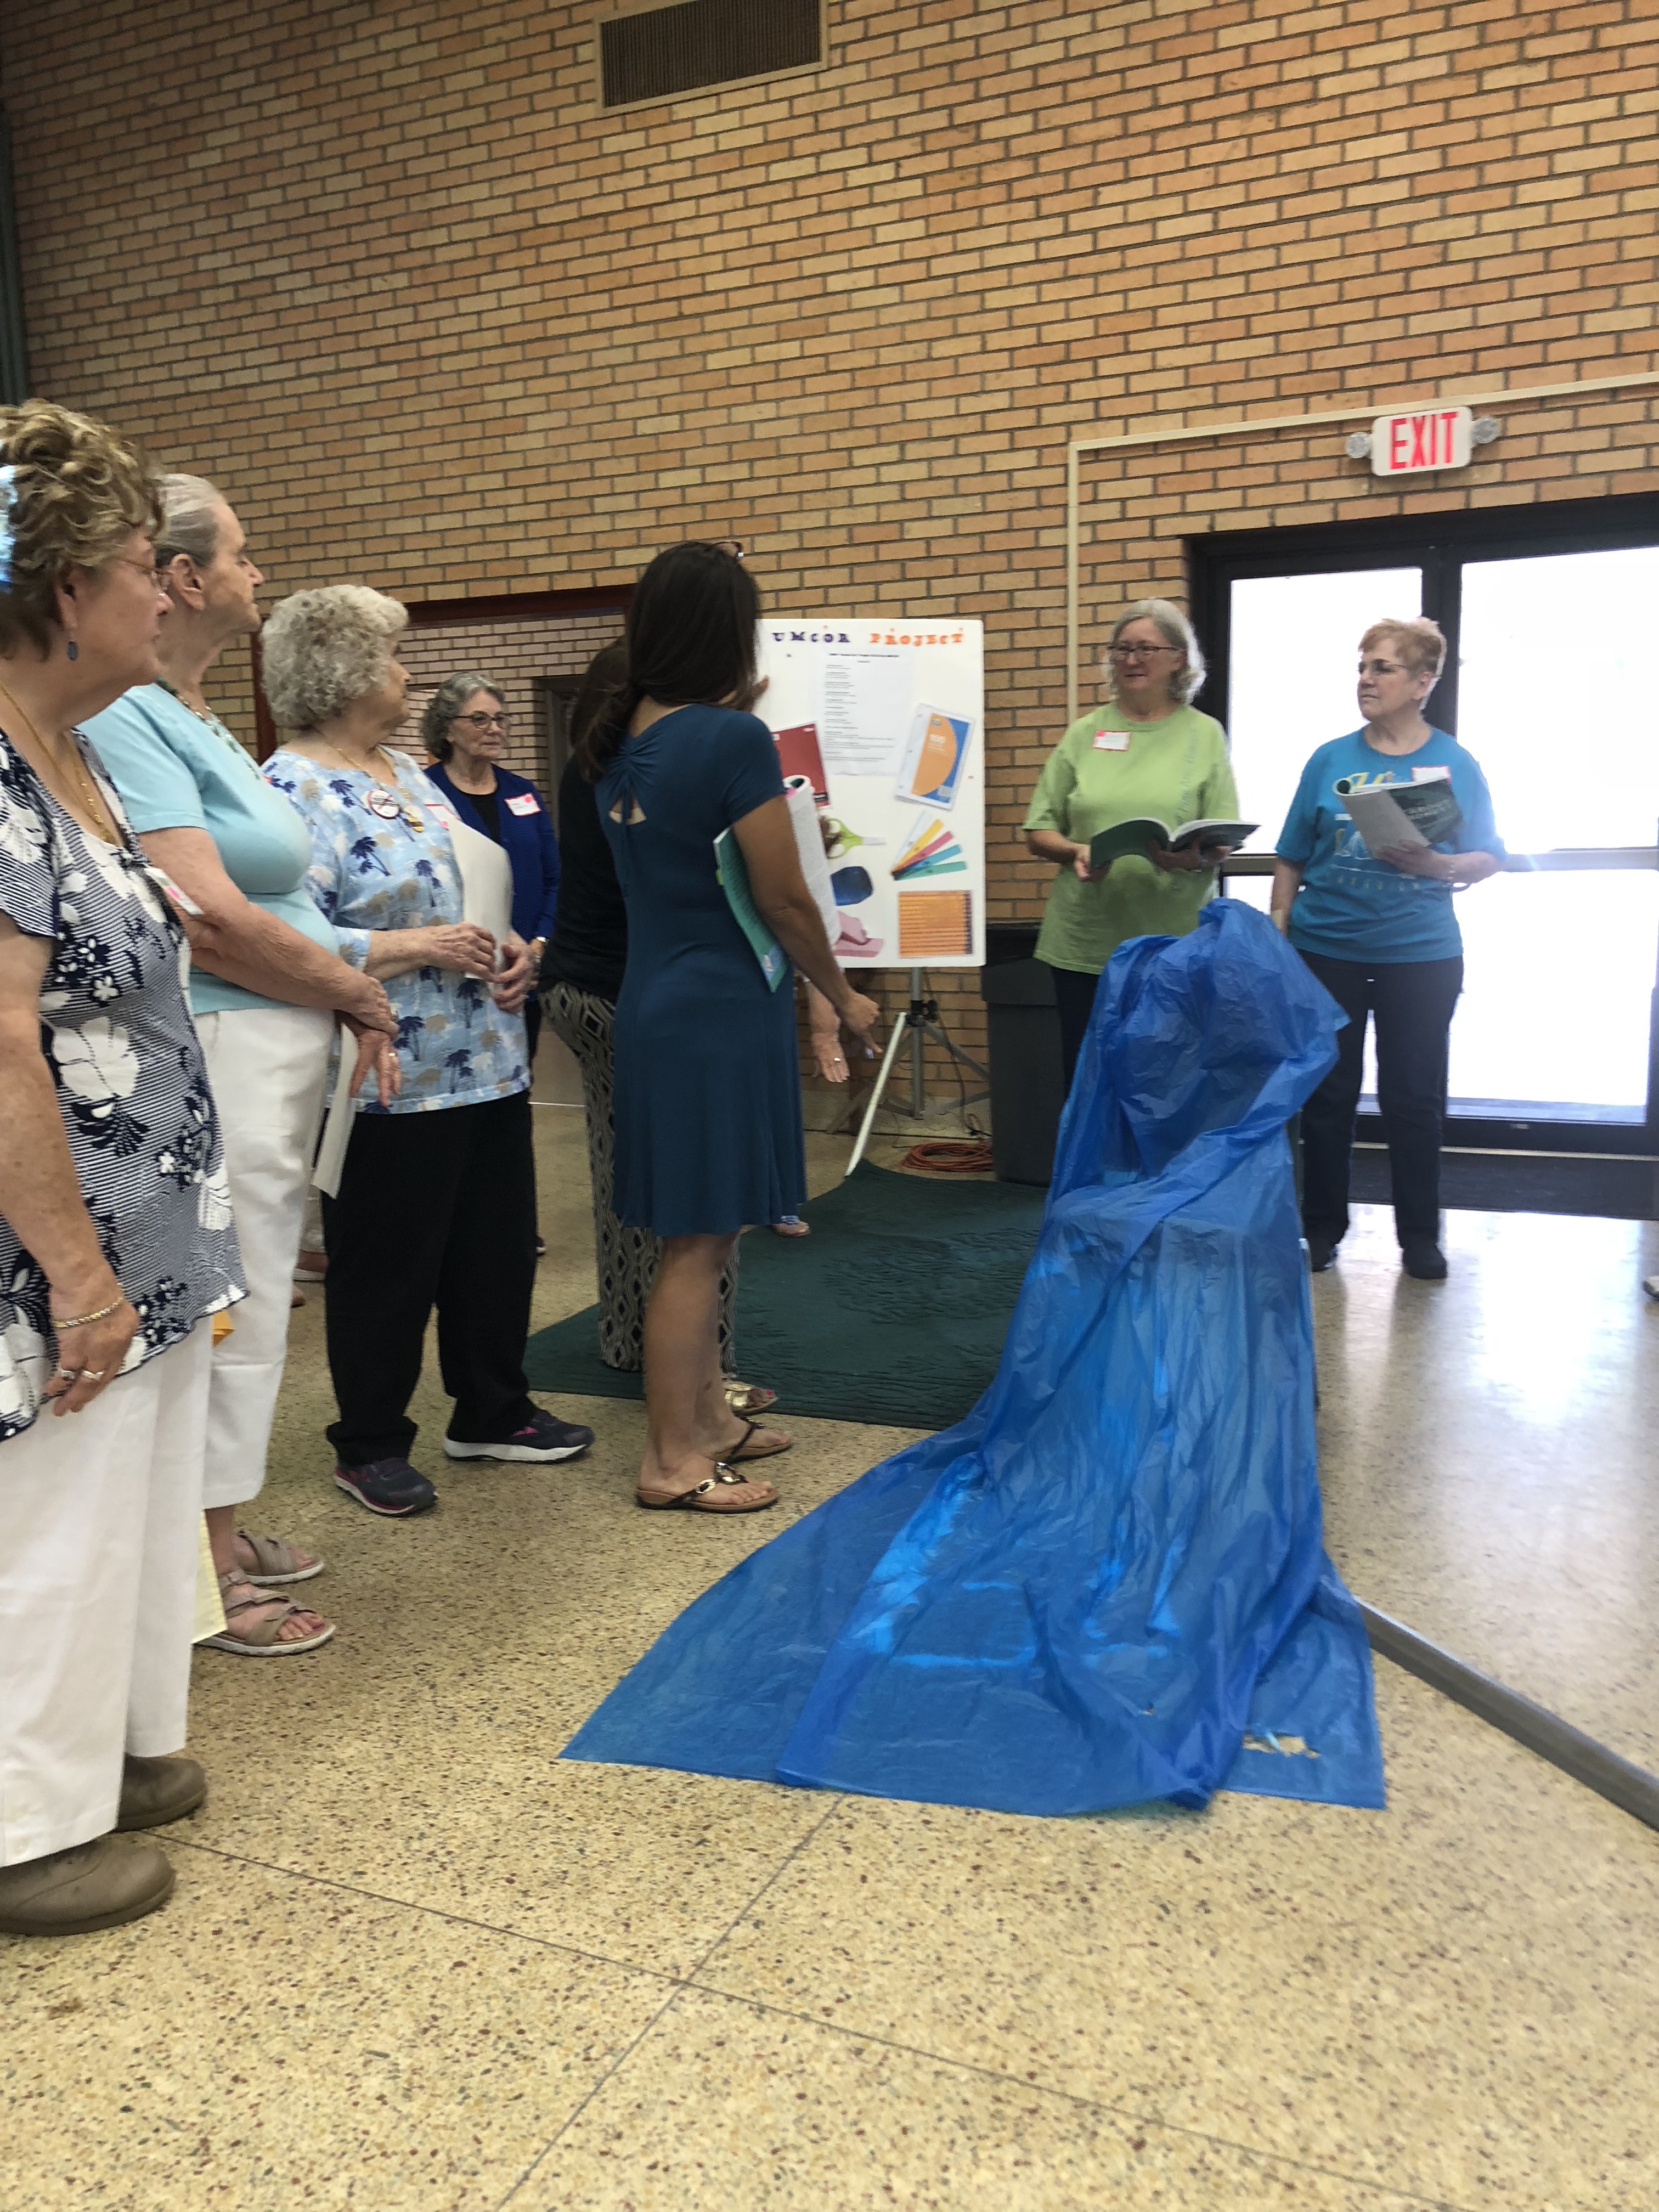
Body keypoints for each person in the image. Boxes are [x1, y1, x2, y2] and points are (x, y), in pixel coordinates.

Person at [0, 400, 244, 1935]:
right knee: (55, 1529)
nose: (171, 593)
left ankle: (116, 1750)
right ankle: (26, 1829)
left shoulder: (72, 753)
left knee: (135, 1517)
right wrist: (79, 1279)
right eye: (147, 567)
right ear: (66, 588)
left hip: (149, 1221)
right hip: (58, 1250)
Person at [83, 475, 400, 1656]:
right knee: (236, 1303)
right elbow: (205, 915)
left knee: (257, 1297)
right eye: (243, 555)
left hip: (271, 1033)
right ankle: (204, 1566)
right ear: (181, 576)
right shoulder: (127, 712)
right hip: (227, 1034)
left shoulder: (189, 709)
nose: (258, 576)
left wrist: (342, 978)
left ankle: (211, 1526)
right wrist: (351, 986)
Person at [261, 586, 593, 1517]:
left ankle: (493, 1409)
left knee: (494, 1251)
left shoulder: (406, 771)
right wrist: (418, 947)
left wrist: (511, 947)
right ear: (343, 673)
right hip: (388, 1073)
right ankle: (369, 1442)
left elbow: (464, 888)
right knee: (388, 1267)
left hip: (486, 1056)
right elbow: (280, 938)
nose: (407, 675)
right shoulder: (288, 788)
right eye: (391, 658)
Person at [583, 543, 879, 1514]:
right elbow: (785, 898)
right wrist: (842, 994)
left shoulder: (621, 735)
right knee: (698, 1243)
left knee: (697, 1232)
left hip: (660, 998)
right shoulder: (731, 738)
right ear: (728, 634)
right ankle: (670, 1459)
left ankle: (707, 1418)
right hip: (714, 1008)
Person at [540, 641, 774, 1416]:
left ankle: (629, 1337)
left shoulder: (593, 764)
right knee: (699, 1202)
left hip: (583, 986)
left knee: (626, 1178)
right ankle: (704, 1379)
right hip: (636, 991)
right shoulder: (647, 772)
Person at [1271, 616, 1504, 1282]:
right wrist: (1279, 931)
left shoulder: (1456, 764)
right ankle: (1321, 1228)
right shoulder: (1329, 759)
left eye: (1383, 668)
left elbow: (1491, 856)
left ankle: (1420, 1237)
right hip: (1326, 950)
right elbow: (1291, 855)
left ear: (1423, 682)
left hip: (1421, 956)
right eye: (1362, 667)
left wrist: (1437, 864)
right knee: (1328, 1096)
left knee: (1414, 1099)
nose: (1366, 680)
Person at [1023, 599, 1237, 1090]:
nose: (1132, 660)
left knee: (1166, 1082)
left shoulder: (1205, 735)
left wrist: (1192, 857)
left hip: (1174, 943)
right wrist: (1074, 850)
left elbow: (1223, 838)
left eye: (1146, 649)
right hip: (1086, 942)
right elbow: (1038, 829)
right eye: (1122, 649)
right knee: (1089, 1081)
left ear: (1178, 659)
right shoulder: (1084, 734)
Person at [422, 674, 558, 1066]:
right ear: (448, 729)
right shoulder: (422, 794)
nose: (495, 729)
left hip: (522, 972)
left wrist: (538, 947)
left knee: (519, 1081)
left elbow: (555, 879)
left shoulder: (523, 792)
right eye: (479, 719)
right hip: (455, 974)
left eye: (500, 719)